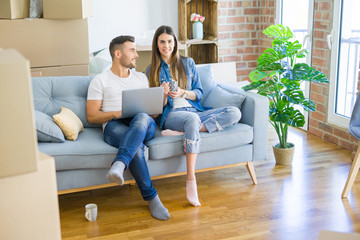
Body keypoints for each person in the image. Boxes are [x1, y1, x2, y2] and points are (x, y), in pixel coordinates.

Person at [146, 25, 241, 207]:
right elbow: (154, 110)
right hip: (172, 115)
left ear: (175, 43)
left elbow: (199, 93)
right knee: (191, 120)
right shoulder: (152, 70)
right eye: (162, 42)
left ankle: (186, 133)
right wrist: (164, 95)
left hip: (196, 111)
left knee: (234, 112)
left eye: (170, 41)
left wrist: (183, 92)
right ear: (157, 45)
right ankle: (191, 178)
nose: (167, 45)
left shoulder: (188, 63)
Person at [87, 35, 170, 220]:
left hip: (142, 123)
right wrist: (118, 113)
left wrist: (163, 97)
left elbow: (153, 115)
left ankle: (119, 163)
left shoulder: (140, 78)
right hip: (114, 125)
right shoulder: (100, 80)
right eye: (132, 50)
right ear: (118, 53)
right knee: (137, 148)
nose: (136, 55)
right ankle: (152, 198)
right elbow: (91, 116)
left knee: (141, 116)